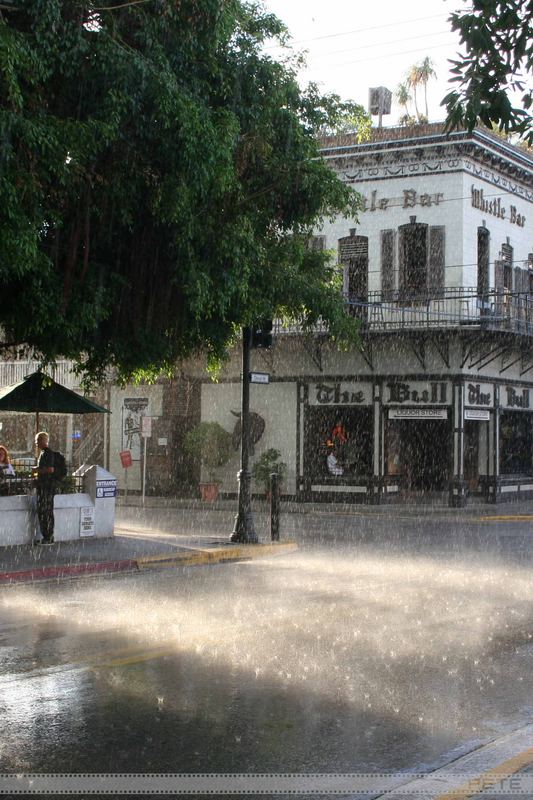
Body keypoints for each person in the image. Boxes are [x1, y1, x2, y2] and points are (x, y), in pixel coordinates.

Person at [33, 431, 56, 544]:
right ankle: (46, 536)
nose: (36, 443)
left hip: (47, 487)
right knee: (43, 511)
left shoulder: (48, 453)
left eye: (37, 441)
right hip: (43, 486)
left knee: (45, 511)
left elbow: (50, 469)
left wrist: (37, 470)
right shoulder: (43, 453)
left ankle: (48, 537)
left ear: (43, 441)